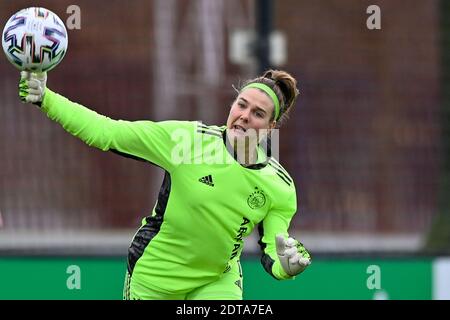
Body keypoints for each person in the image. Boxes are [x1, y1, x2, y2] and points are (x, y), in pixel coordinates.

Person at [18, 69, 311, 300]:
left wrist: (287, 267)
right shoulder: (187, 141)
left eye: (258, 114)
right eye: (241, 105)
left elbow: (275, 247)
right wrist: (47, 99)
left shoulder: (280, 186)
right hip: (155, 274)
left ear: (271, 127)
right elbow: (107, 132)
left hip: (216, 280)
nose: (244, 117)